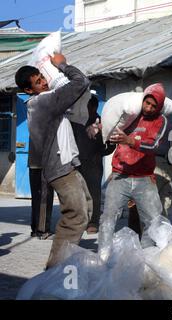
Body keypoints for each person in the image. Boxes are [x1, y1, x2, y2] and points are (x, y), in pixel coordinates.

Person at [15, 54, 93, 269]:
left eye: (42, 76)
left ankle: (67, 257)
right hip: (60, 169)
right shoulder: (43, 102)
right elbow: (81, 82)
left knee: (85, 209)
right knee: (75, 215)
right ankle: (56, 270)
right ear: (29, 90)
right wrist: (61, 64)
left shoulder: (42, 102)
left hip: (68, 164)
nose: (44, 81)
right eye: (38, 81)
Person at [97, 83, 167, 260]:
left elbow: (154, 145)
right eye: (147, 103)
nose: (149, 108)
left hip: (144, 178)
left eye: (153, 105)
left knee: (153, 221)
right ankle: (103, 257)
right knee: (108, 218)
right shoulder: (129, 114)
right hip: (120, 175)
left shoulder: (161, 121)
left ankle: (146, 258)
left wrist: (130, 141)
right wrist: (102, 130)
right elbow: (113, 133)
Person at [71, 94, 115, 234]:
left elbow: (110, 146)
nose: (84, 109)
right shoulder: (77, 122)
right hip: (76, 164)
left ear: (94, 106)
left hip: (94, 165)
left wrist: (99, 152)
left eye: (87, 106)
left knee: (94, 193)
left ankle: (93, 222)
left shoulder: (103, 123)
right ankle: (80, 221)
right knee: (78, 194)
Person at [28, 167, 54, 239]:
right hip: (43, 165)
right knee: (44, 198)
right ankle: (43, 231)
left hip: (34, 165)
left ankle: (36, 229)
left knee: (36, 198)